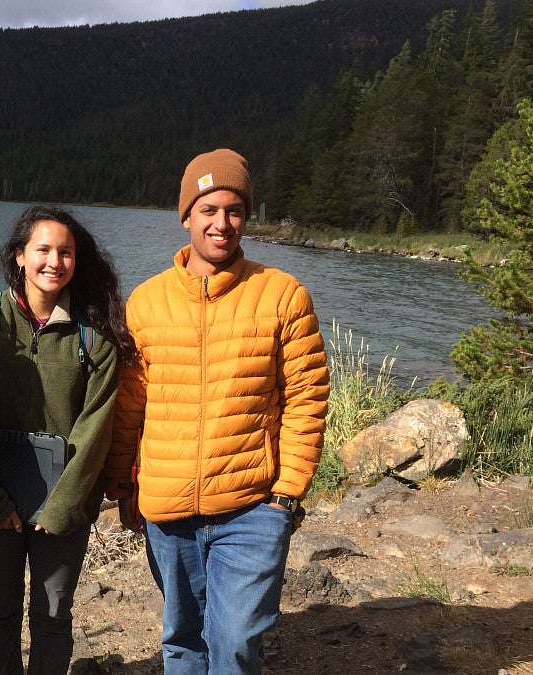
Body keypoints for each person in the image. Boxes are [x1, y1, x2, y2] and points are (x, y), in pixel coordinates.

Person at [103, 149, 330, 673]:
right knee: (182, 639)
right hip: (167, 510)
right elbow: (129, 407)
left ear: (246, 216)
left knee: (235, 642)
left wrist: (287, 494)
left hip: (252, 506)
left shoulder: (282, 296)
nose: (221, 224)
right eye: (208, 210)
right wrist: (123, 485)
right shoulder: (146, 303)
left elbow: (306, 398)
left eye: (233, 210)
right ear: (186, 217)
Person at [0, 205, 136, 675]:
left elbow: (96, 428)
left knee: (52, 618)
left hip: (63, 511)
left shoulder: (95, 337)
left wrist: (63, 505)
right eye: (43, 249)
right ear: (19, 256)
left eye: (65, 252)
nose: (54, 262)